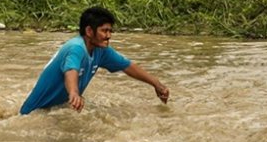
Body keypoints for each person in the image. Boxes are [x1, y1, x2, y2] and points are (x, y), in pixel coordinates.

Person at [19, 7, 169, 115]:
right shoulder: (76, 47)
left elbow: (128, 66)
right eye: (104, 31)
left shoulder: (101, 51)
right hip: (34, 114)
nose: (109, 35)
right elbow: (71, 70)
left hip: (57, 111)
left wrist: (157, 84)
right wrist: (74, 93)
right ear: (89, 31)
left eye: (110, 31)